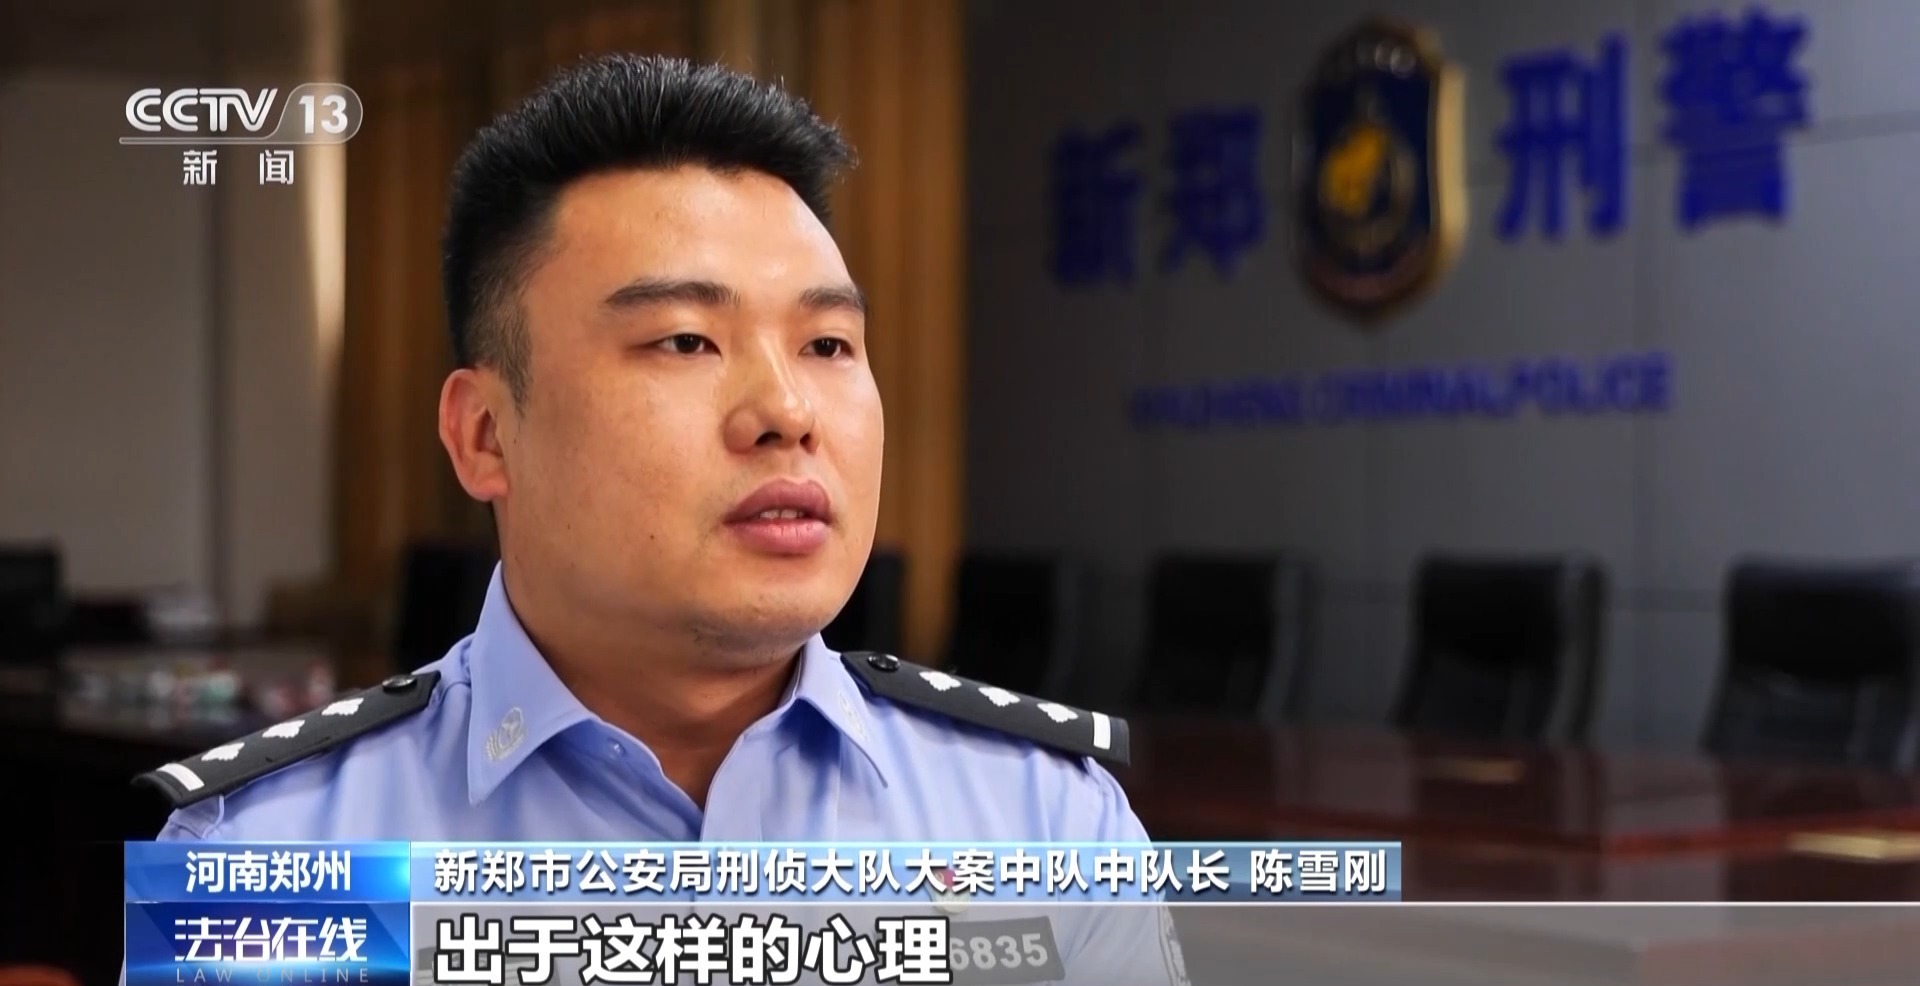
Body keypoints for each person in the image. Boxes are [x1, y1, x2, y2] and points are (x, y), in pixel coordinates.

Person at [130, 54, 1187, 985]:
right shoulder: (267, 852)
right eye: (685, 341)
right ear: (485, 434)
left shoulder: (1045, 821)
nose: (787, 410)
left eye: (828, 345)